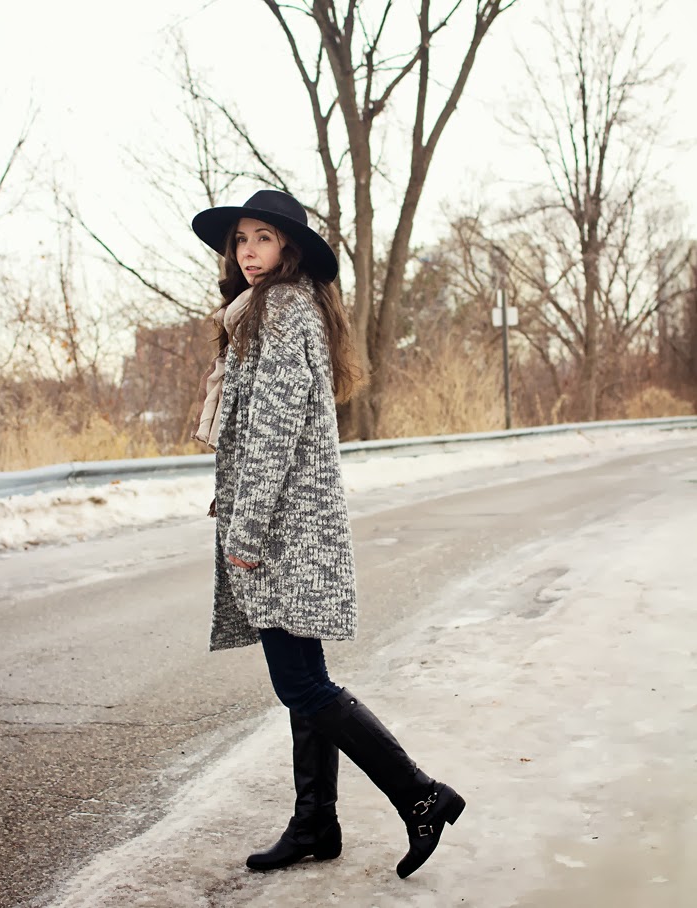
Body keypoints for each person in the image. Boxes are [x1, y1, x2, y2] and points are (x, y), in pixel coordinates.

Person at [190, 189, 465, 879]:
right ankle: (316, 821)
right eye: (241, 240)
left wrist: (246, 528)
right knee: (304, 680)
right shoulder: (265, 310)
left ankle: (421, 795)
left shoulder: (283, 309)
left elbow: (275, 429)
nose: (249, 251)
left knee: (303, 685)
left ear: (290, 248)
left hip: (285, 531)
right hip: (288, 523)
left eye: (263, 238)